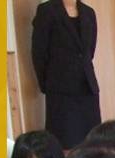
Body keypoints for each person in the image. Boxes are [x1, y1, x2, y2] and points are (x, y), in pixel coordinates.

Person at [31, 0, 101, 149]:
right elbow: (39, 52)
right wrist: (47, 84)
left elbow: (90, 51)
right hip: (60, 87)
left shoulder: (89, 12)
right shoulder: (47, 10)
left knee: (93, 141)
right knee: (64, 142)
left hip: (87, 86)